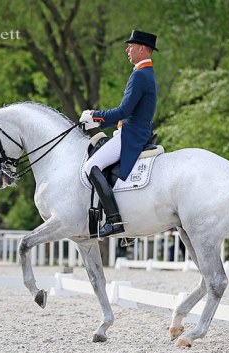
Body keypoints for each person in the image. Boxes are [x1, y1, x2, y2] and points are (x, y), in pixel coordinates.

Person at [80, 30, 158, 238]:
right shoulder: (145, 73)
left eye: (131, 46)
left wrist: (94, 115)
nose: (127, 49)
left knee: (91, 166)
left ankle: (114, 220)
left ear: (142, 49)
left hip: (132, 134)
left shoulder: (140, 75)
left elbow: (124, 112)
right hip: (135, 130)